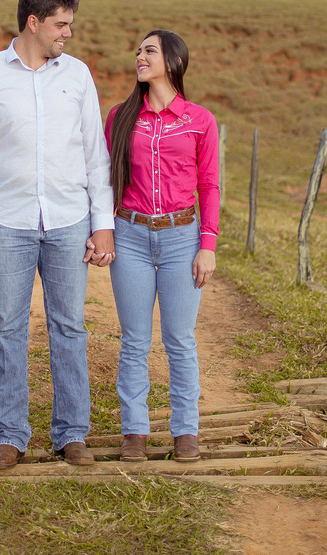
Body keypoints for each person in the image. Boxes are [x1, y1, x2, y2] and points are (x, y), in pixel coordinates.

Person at [0, 0, 115, 471]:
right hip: (5, 222)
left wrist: (102, 223)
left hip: (69, 220)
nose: (68, 33)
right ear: (34, 23)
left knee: (70, 328)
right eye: (61, 24)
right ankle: (9, 434)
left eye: (70, 24)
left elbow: (95, 155)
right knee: (5, 329)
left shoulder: (78, 75)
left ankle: (72, 434)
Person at [105, 30, 219, 463]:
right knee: (134, 340)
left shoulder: (198, 119)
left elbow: (209, 185)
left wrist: (206, 244)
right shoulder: (120, 116)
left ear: (172, 61)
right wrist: (102, 229)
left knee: (179, 339)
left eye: (148, 51)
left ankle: (184, 431)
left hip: (181, 237)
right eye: (137, 50)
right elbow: (106, 178)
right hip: (130, 235)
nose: (139, 56)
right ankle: (134, 431)